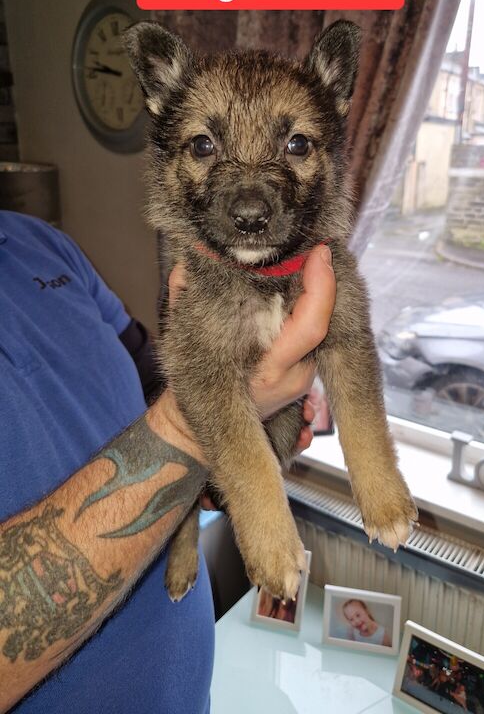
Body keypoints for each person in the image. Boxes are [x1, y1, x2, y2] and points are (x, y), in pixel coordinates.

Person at [0, 210, 336, 713]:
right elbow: (176, 415)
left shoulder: (41, 243)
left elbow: (149, 382)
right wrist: (202, 420)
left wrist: (230, 447)